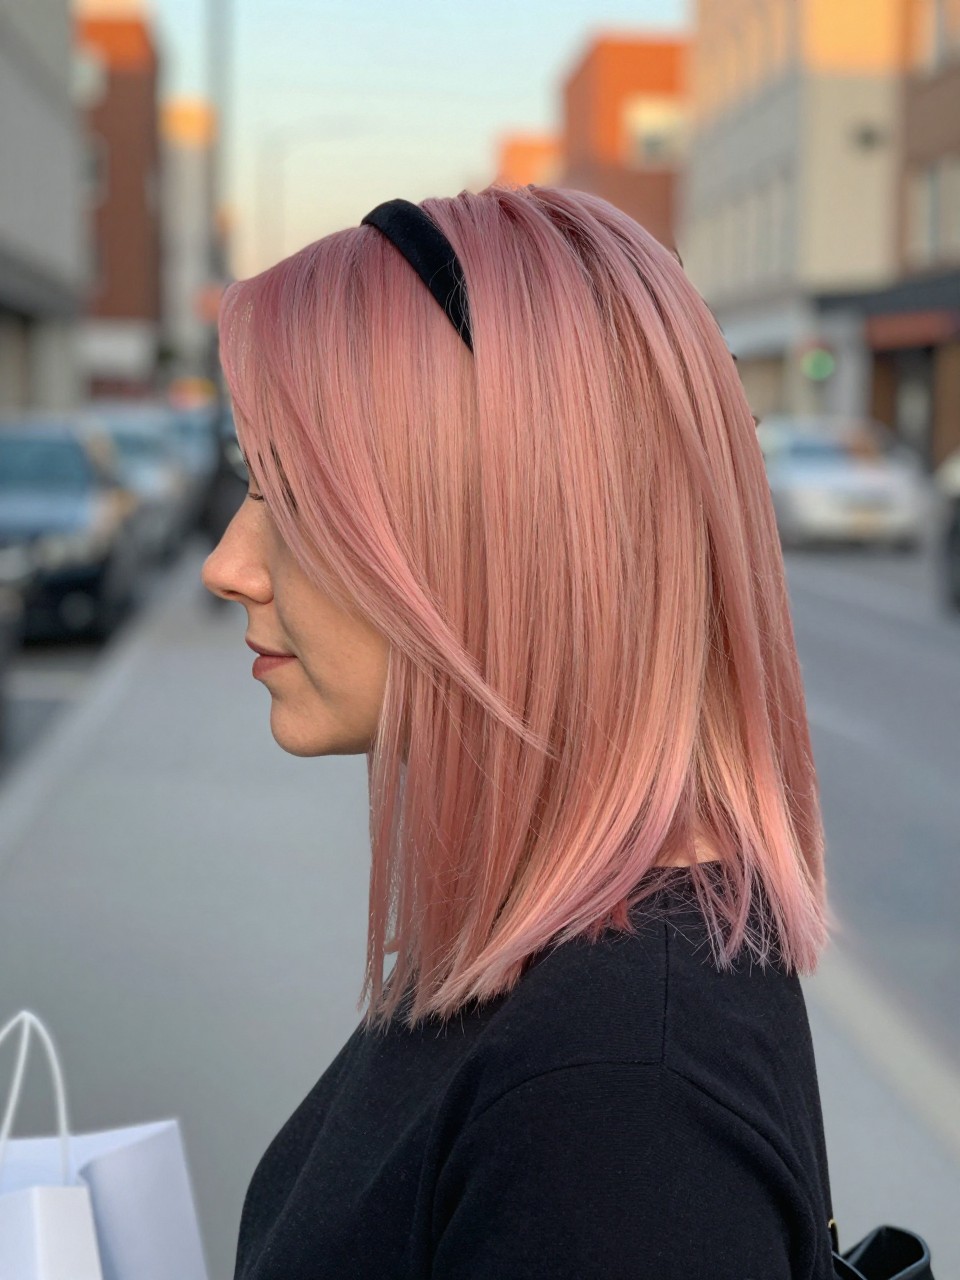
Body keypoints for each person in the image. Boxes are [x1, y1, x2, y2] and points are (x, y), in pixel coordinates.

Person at [202, 184, 837, 1279]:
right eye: (250, 486)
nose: (228, 564)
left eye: (297, 500)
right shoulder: (562, 958)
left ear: (503, 536)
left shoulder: (617, 1096)